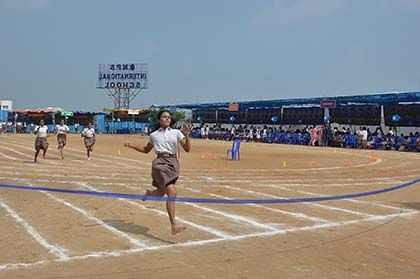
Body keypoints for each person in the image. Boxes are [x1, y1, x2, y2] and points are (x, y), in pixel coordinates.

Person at [124, 109, 191, 235]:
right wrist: (132, 145)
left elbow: (187, 149)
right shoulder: (154, 135)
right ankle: (174, 225)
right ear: (159, 119)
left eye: (169, 117)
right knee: (172, 191)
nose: (167, 119)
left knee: (161, 192)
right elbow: (146, 150)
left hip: (173, 162)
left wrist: (186, 135)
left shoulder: (177, 133)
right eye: (164, 117)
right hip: (160, 164)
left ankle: (149, 193)